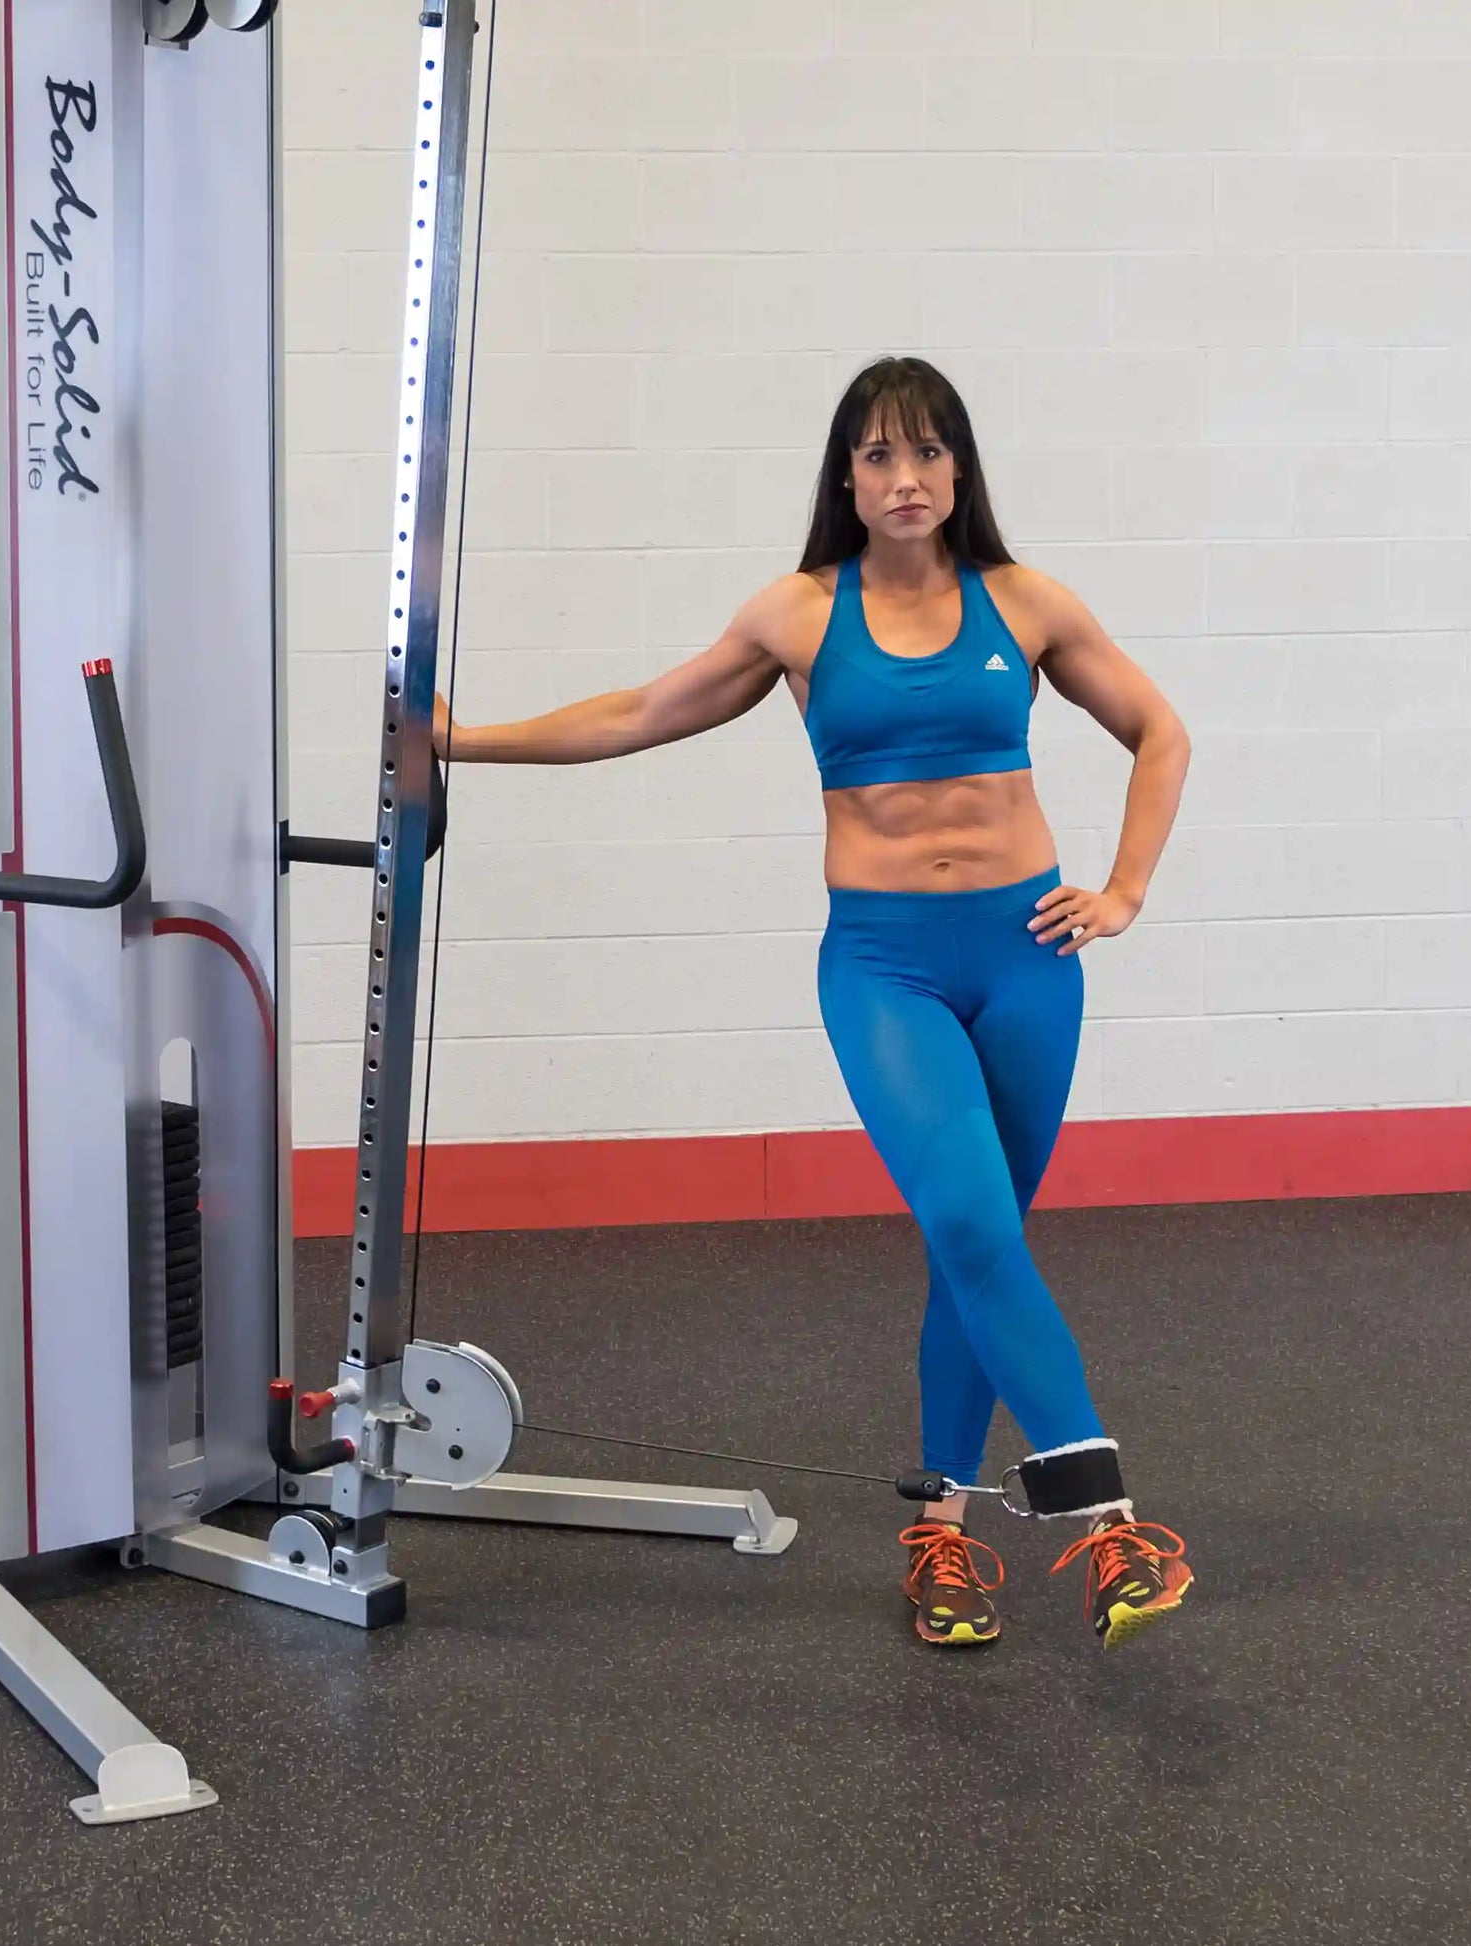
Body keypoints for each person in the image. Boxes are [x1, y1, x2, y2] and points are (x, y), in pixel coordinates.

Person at [432, 356, 1195, 1651]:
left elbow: (1159, 731)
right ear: (845, 476)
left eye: (927, 453)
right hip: (885, 966)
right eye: (879, 455)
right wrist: (458, 740)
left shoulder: (1023, 601)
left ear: (959, 472)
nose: (905, 478)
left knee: (980, 1244)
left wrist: (1120, 888)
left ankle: (939, 1538)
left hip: (1023, 959)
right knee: (962, 1213)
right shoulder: (796, 614)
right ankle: (1102, 1514)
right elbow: (635, 712)